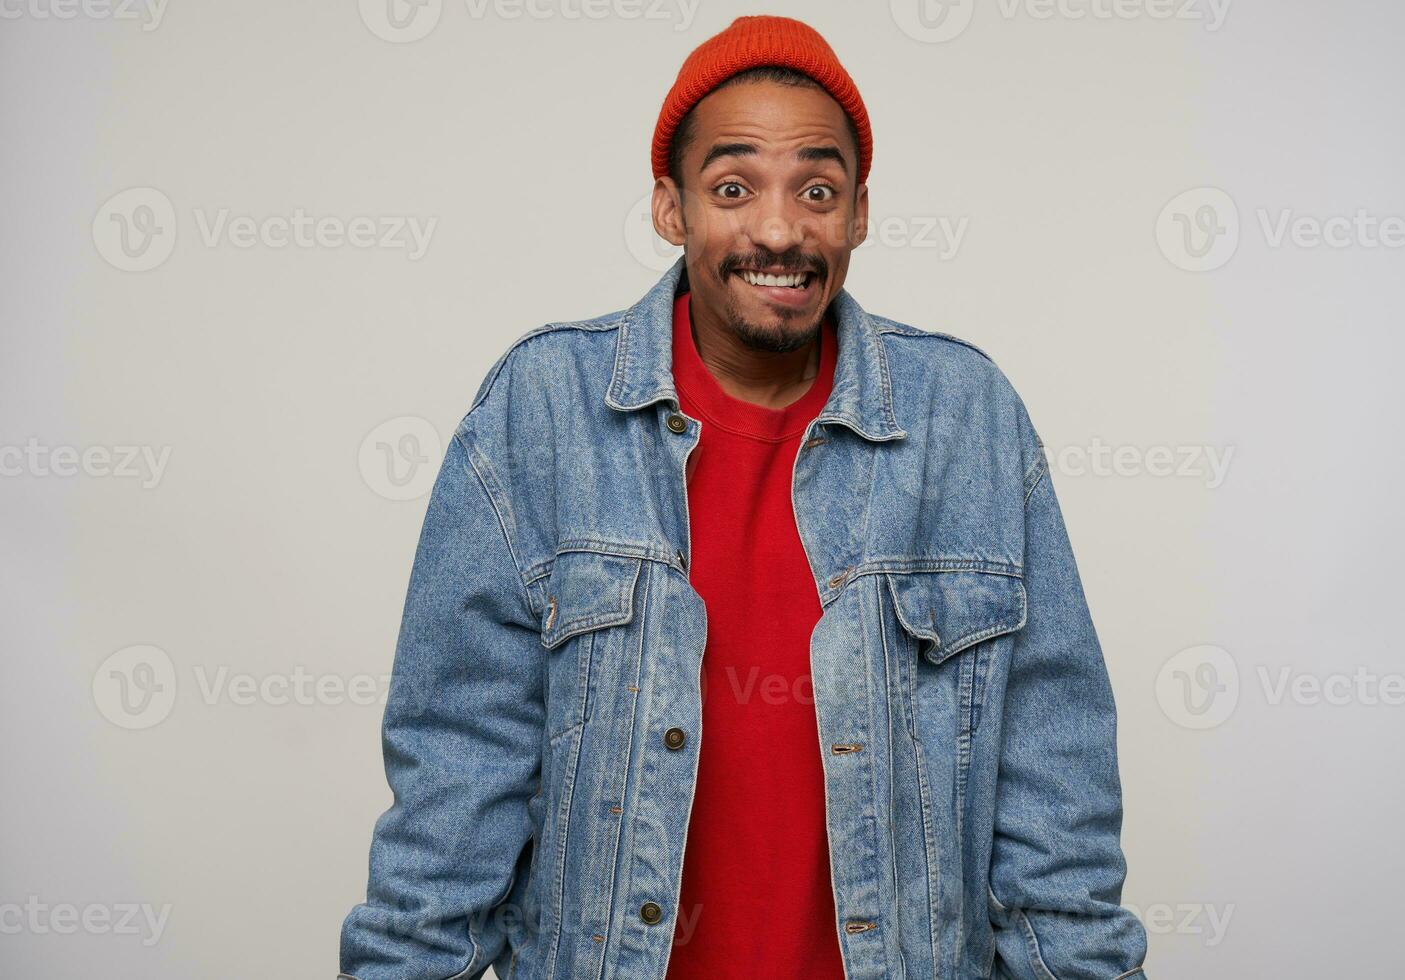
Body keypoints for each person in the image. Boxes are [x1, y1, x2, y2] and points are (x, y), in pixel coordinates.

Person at [339, 14, 1148, 980]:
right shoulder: (544, 408)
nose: (779, 228)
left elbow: (1055, 789)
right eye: (734, 188)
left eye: (817, 189)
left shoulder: (964, 416)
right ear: (671, 209)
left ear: (857, 213)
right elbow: (455, 782)